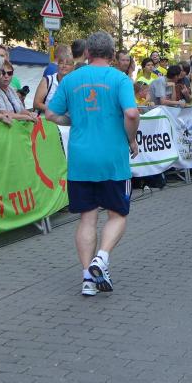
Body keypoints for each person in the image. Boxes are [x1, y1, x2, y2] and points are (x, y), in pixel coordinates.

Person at [45, 32, 139, 297]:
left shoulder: (71, 79)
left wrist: (74, 121)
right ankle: (102, 257)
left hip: (80, 158)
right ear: (112, 55)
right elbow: (132, 113)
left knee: (87, 217)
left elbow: (51, 114)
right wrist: (132, 139)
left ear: (87, 53)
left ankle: (88, 277)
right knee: (117, 214)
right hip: (112, 159)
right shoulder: (120, 79)